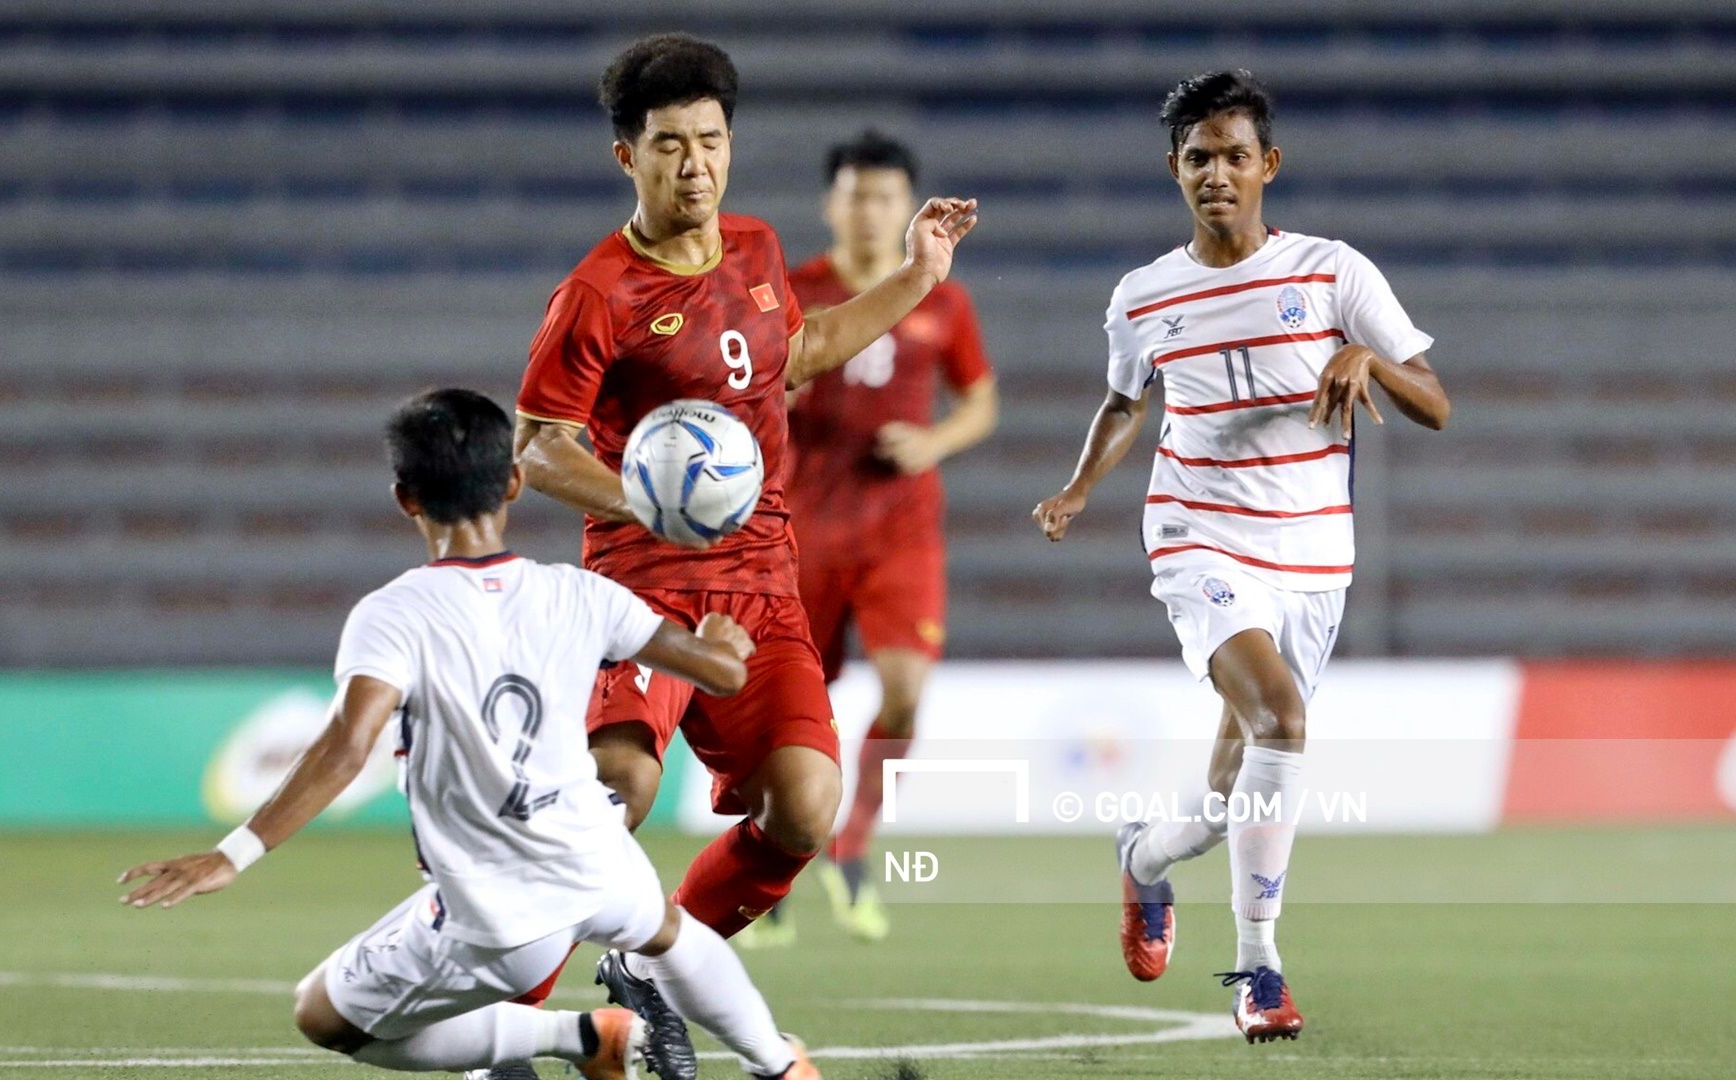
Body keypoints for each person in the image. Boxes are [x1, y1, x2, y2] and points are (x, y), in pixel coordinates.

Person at [511, 33, 977, 1079]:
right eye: (668, 145)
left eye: (711, 142)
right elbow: (539, 447)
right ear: (625, 156)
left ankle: (652, 970)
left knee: (803, 810)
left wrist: (918, 275)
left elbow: (800, 353)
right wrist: (645, 501)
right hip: (643, 583)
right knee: (615, 789)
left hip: (764, 584)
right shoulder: (597, 293)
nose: (695, 166)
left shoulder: (760, 250)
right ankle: (508, 1023)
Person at [118, 389, 822, 1080]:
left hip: (496, 907)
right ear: (515, 482)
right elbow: (722, 675)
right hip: (599, 856)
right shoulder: (581, 593)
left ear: (406, 498)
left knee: (323, 1016)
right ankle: (780, 1063)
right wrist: (722, 638)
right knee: (669, 934)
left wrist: (232, 854)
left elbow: (345, 746)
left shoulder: (394, 614)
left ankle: (579, 1036)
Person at [1031, 70, 1450, 1044]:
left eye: (1231, 156)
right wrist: (1080, 487)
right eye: (1196, 159)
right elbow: (1123, 401)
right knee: (1283, 717)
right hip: (1197, 537)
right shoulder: (1143, 297)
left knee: (1229, 798)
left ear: (1268, 165)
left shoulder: (1333, 273)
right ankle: (1258, 969)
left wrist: (1370, 359)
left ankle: (1143, 858)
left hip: (1313, 554)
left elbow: (1435, 402)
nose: (1214, 174)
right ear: (1174, 172)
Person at [743, 130, 998, 948]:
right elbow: (755, 384)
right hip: (804, 525)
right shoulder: (795, 290)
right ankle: (768, 862)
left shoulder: (945, 299)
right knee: (784, 705)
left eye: (885, 196)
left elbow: (980, 402)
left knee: (905, 691)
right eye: (854, 195)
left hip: (900, 528)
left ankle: (850, 843)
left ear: (906, 206)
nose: (868, 210)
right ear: (831, 204)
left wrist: (933, 443)